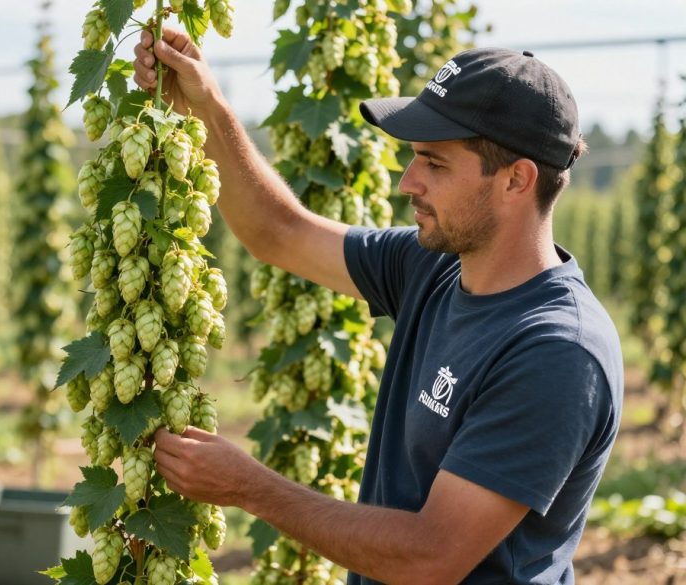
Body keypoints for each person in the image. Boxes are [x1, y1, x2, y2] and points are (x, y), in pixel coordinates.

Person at [133, 28, 623, 585]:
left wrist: (250, 487)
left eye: (434, 164)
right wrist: (205, 106)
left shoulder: (556, 352)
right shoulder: (433, 265)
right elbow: (278, 232)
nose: (406, 181)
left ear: (517, 180)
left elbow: (431, 556)